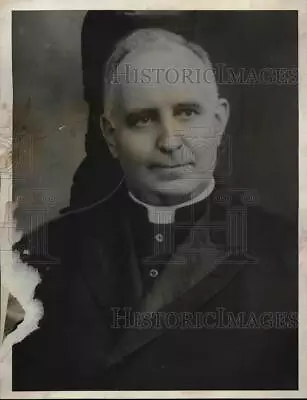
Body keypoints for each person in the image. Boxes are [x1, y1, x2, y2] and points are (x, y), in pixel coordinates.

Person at [12, 28, 297, 391]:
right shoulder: (38, 257)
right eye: (142, 119)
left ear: (219, 120)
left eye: (187, 112)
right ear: (111, 135)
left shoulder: (289, 258)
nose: (169, 141)